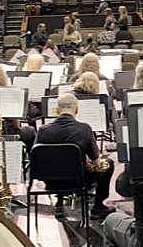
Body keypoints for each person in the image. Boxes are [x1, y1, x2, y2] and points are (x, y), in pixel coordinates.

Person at [35, 93, 114, 222]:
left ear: (57, 110)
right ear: (76, 110)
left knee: (57, 163)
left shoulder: (43, 130)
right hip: (78, 180)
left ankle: (59, 202)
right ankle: (98, 207)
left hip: (49, 181)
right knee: (108, 163)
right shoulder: (84, 129)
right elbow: (97, 162)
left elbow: (37, 159)